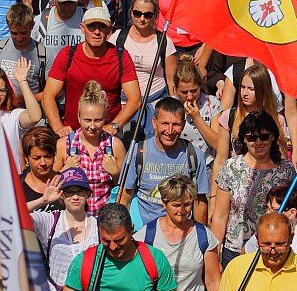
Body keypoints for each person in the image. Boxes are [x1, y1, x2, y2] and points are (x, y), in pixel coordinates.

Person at [43, 0, 140, 136]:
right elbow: (48, 95)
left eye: (102, 27)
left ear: (109, 30)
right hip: (72, 133)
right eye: (92, 26)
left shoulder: (121, 56)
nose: (96, 31)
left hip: (107, 135)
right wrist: (58, 126)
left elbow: (135, 99)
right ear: (82, 28)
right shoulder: (67, 55)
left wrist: (114, 126)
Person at [211, 112, 294, 267]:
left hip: (272, 251)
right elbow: (220, 216)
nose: (258, 142)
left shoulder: (286, 170)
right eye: (251, 137)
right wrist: (214, 257)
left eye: (263, 137)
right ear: (243, 139)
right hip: (234, 251)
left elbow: (295, 213)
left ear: (273, 137)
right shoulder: (230, 167)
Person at [120, 97, 210, 225]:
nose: (170, 131)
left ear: (183, 125)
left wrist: (200, 237)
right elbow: (125, 197)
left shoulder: (195, 156)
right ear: (154, 123)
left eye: (176, 124)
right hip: (143, 231)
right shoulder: (137, 152)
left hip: (181, 230)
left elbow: (199, 202)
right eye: (165, 124)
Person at [109, 0, 176, 137]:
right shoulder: (118, 38)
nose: (142, 19)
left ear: (155, 15)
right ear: (130, 13)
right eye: (137, 13)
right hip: (123, 105)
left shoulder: (164, 42)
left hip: (155, 104)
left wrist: (173, 110)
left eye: (148, 15)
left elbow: (171, 81)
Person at [52, 82, 125, 213]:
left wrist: (115, 174)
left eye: (97, 120)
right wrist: (64, 170)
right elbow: (51, 186)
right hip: (74, 218)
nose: (92, 126)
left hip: (104, 218)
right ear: (79, 117)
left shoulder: (114, 145)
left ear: (105, 118)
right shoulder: (64, 145)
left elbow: (124, 189)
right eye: (87, 120)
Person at [244, 182, 297, 266]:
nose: (267, 214)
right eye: (267, 208)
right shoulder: (265, 229)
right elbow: (244, 253)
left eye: (274, 210)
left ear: (292, 213)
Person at [0, 3, 44, 106]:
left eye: (23, 33)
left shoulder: (43, 53)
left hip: (32, 113)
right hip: (3, 111)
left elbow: (52, 92)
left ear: (32, 26)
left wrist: (24, 99)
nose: (19, 38)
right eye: (14, 33)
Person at [172, 54, 221, 168]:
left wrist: (197, 118)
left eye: (194, 91)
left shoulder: (212, 104)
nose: (189, 96)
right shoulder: (170, 105)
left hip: (205, 166)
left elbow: (219, 144)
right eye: (184, 92)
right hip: (178, 166)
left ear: (200, 85)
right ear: (176, 89)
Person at [31, 0, 84, 72]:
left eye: (71, 2)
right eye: (63, 2)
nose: (67, 7)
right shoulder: (41, 22)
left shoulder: (86, 19)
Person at [19, 127, 59, 209]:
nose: (43, 163)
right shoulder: (16, 186)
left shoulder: (67, 183)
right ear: (26, 158)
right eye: (36, 158)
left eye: (47, 157)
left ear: (54, 155)